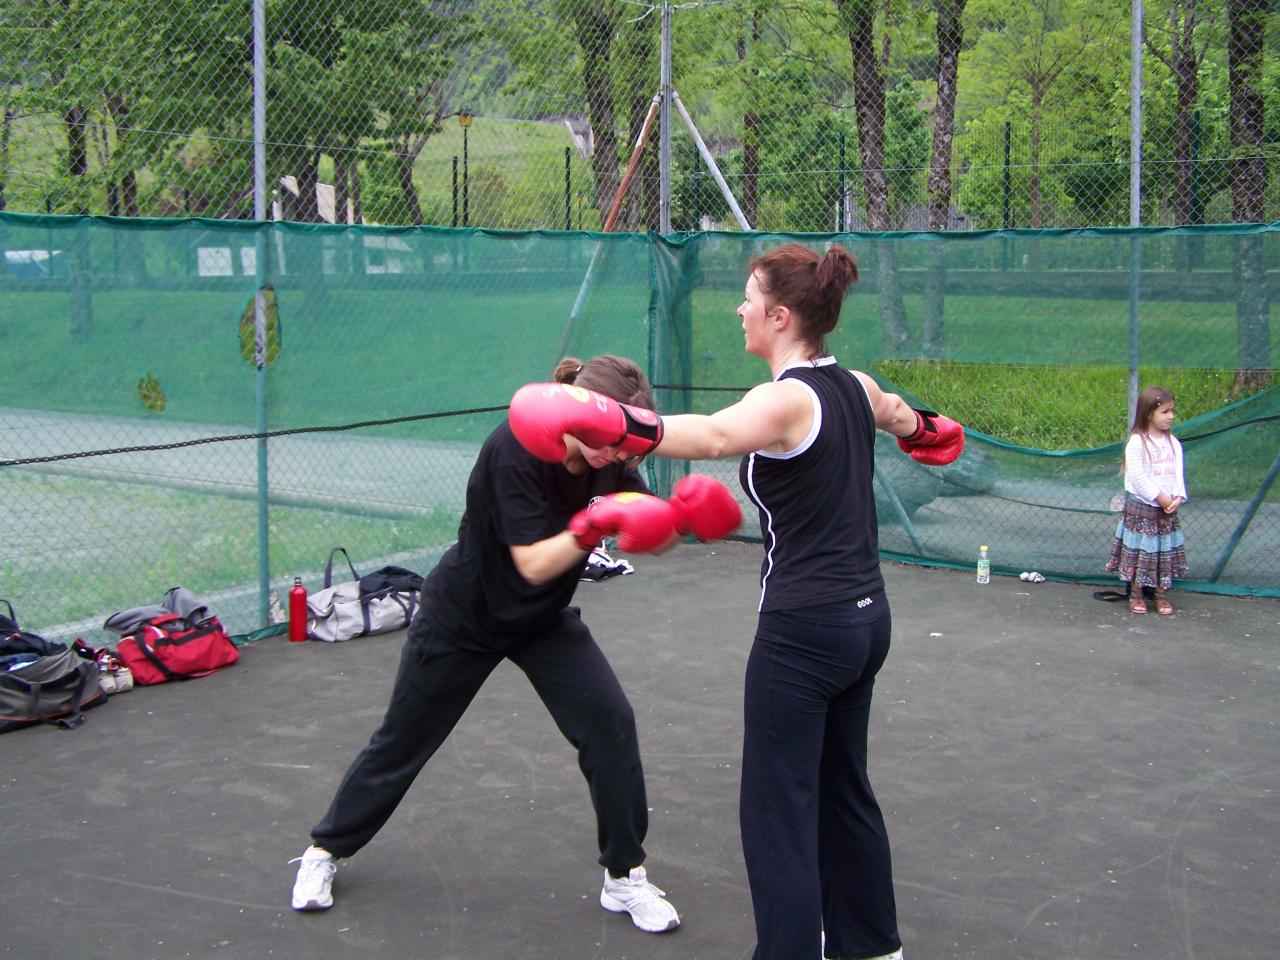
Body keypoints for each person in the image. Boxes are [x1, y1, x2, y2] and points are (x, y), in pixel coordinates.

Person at [507, 243, 965, 960]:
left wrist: (618, 425)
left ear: (781, 317)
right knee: (846, 793)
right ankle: (876, 948)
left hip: (803, 633)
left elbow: (716, 435)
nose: (740, 309)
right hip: (865, 622)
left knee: (778, 812)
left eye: (750, 299)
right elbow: (901, 414)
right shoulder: (855, 384)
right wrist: (932, 433)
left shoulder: (785, 399)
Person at [290, 354, 741, 935]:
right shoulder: (514, 450)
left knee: (610, 723)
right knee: (402, 741)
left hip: (542, 620)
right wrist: (593, 524)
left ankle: (624, 876)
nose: (621, 457)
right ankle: (325, 850)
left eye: (628, 445)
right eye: (612, 445)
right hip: (464, 617)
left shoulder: (616, 451)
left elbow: (636, 530)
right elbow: (532, 562)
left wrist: (676, 521)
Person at [1105, 385, 1188, 615]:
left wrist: (1178, 497)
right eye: (1165, 412)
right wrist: (1161, 498)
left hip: (1167, 512)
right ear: (1149, 413)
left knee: (1164, 554)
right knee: (1140, 554)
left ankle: (1160, 595)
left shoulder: (1174, 443)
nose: (1171, 416)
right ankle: (1136, 594)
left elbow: (1178, 475)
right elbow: (1138, 479)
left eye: (1172, 411)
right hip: (1142, 510)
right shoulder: (1137, 443)